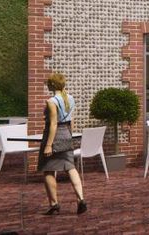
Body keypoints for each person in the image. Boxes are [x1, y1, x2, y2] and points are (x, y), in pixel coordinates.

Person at [39, 72, 86, 215]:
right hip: (66, 134)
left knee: (48, 169)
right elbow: (71, 121)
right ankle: (81, 199)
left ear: (52, 85)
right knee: (70, 167)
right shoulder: (70, 99)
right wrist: (69, 136)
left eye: (48, 83)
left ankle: (54, 204)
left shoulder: (51, 101)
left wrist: (48, 145)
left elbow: (53, 124)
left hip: (54, 136)